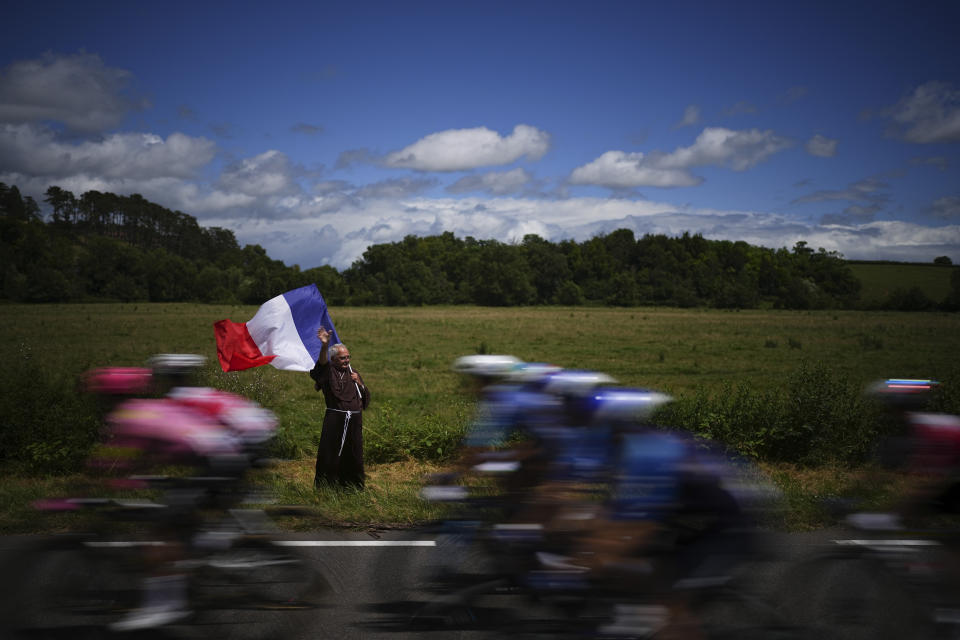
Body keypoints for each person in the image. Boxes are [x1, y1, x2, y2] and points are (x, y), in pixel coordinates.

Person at [310, 326, 371, 489]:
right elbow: (322, 363)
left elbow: (364, 399)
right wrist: (324, 345)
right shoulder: (328, 371)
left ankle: (352, 487)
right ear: (334, 359)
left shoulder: (353, 373)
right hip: (335, 420)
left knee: (354, 455)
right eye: (343, 358)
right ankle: (328, 487)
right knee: (331, 454)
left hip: (354, 421)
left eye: (348, 357)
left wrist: (359, 383)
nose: (347, 361)